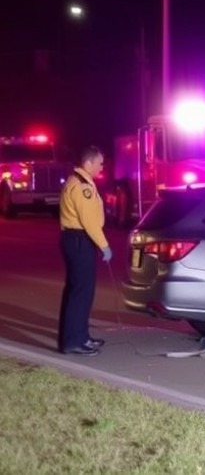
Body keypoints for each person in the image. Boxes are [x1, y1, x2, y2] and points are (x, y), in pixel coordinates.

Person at [57, 145, 111, 356]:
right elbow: (89, 222)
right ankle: (73, 342)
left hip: (76, 240)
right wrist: (104, 245)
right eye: (99, 163)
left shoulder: (81, 182)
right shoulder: (82, 187)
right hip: (79, 240)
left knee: (78, 291)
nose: (102, 166)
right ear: (88, 163)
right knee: (81, 292)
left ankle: (80, 336)